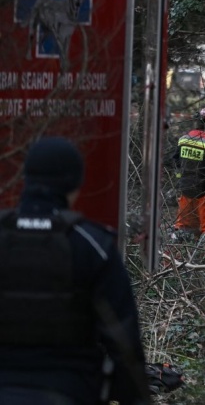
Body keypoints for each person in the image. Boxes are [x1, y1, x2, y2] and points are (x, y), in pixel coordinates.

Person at [0, 137, 151, 405]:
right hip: (69, 391)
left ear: (27, 178)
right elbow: (122, 340)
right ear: (74, 185)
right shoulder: (93, 244)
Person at [173, 101, 205, 239]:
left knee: (183, 226)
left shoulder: (185, 137)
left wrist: (181, 178)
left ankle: (175, 251)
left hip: (186, 187)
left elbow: (175, 160)